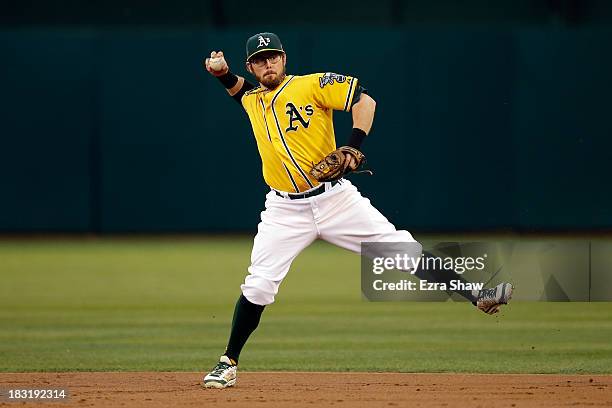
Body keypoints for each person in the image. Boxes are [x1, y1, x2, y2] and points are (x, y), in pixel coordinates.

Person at [201, 32, 513, 389]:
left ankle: (478, 295)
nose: (267, 64)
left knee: (400, 249)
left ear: (284, 59)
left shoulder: (312, 85)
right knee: (259, 285)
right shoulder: (253, 100)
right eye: (259, 60)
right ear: (251, 67)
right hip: (284, 210)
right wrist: (221, 74)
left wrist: (352, 146)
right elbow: (239, 90)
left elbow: (365, 101)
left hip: (335, 200)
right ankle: (228, 362)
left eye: (272, 57)